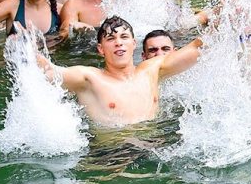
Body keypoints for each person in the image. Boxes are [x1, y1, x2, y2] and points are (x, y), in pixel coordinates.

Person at [36, 16, 204, 126]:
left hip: (153, 146)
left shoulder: (151, 70)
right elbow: (48, 72)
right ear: (101, 49)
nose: (118, 43)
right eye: (111, 39)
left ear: (133, 44)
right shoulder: (89, 78)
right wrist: (26, 49)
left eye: (124, 37)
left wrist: (225, 18)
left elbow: (198, 48)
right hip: (112, 157)